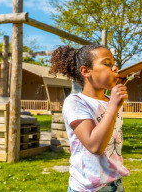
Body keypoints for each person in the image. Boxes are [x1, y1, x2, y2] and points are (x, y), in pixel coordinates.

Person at [50, 44, 129, 192]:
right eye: (107, 64)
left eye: (114, 64)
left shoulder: (111, 102)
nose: (114, 68)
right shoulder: (75, 102)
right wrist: (113, 106)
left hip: (116, 184)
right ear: (86, 71)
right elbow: (95, 146)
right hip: (87, 188)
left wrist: (113, 104)